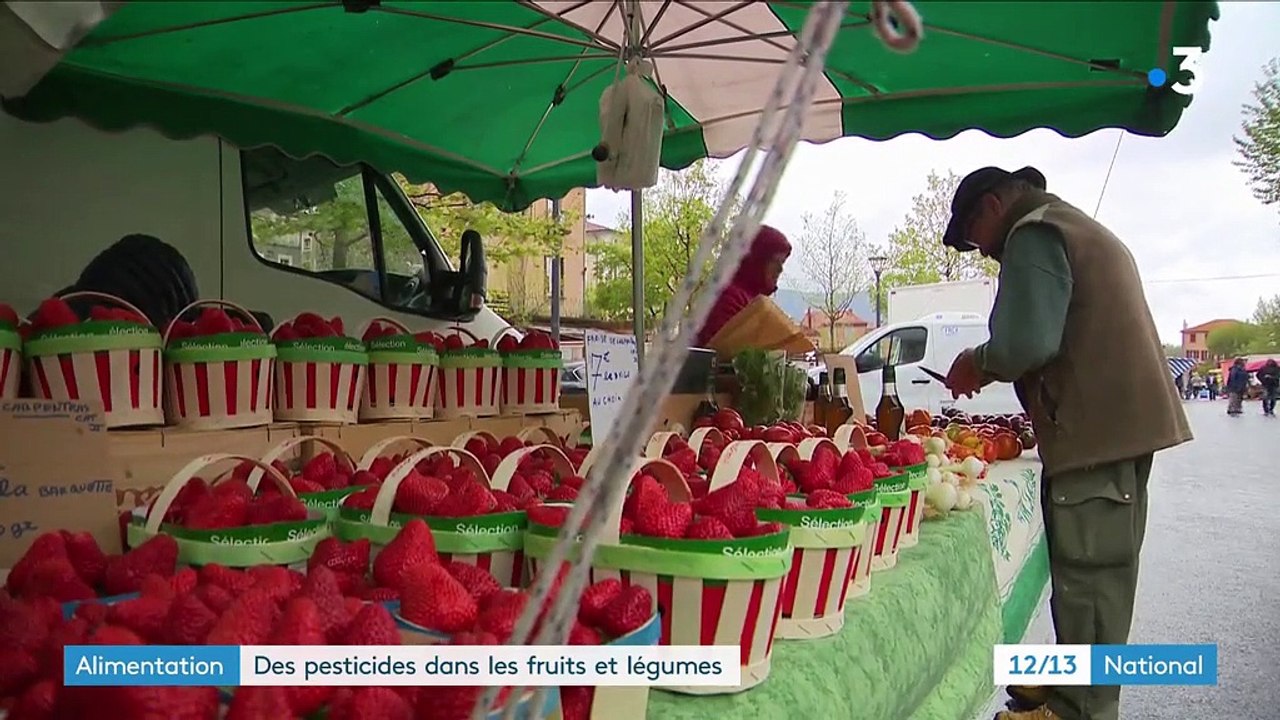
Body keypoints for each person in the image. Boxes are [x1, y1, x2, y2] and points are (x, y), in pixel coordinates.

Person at [937, 166, 1192, 720]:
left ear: (992, 204)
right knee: (1088, 570)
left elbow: (1025, 341)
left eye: (970, 236)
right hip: (1109, 429)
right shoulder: (1066, 225)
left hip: (1096, 434)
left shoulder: (1034, 233)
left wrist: (977, 363)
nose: (978, 251)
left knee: (1093, 577)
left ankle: (1079, 709)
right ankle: (1068, 682)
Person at [695, 225, 792, 347]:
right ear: (757, 260)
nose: (780, 269)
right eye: (775, 261)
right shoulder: (728, 297)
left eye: (782, 263)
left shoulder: (753, 300)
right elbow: (722, 353)